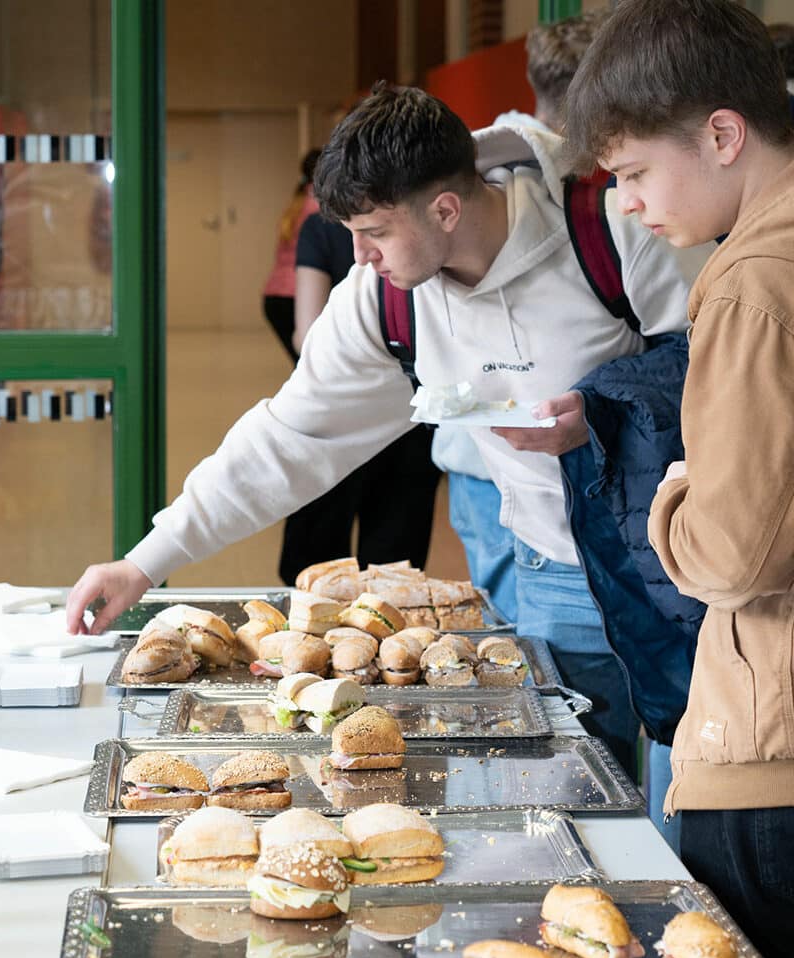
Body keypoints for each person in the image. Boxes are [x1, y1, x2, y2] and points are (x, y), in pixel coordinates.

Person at [66, 85, 702, 780]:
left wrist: (603, 411)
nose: (359, 255)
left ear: (445, 209)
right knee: (582, 784)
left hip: (686, 564)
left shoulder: (612, 230)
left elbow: (728, 363)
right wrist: (146, 560)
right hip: (552, 567)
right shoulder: (383, 299)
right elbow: (287, 439)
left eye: (373, 232)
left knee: (695, 781)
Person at [565, 0, 794, 958]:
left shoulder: (750, 281)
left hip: (767, 755)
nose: (624, 204)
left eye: (633, 173)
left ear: (720, 134)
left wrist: (671, 496)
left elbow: (733, 552)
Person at [435, 8, 611, 628]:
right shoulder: (575, 195)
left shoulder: (473, 162)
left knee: (516, 641)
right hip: (506, 473)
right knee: (539, 652)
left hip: (477, 466)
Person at [275, 208, 440, 583]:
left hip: (336, 415)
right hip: (412, 409)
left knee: (316, 573)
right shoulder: (421, 222)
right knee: (394, 574)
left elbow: (306, 334)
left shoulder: (320, 228)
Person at [261, 148, 321, 363]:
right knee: (311, 366)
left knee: (304, 365)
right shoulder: (318, 209)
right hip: (297, 296)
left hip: (274, 296)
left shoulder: (296, 204)